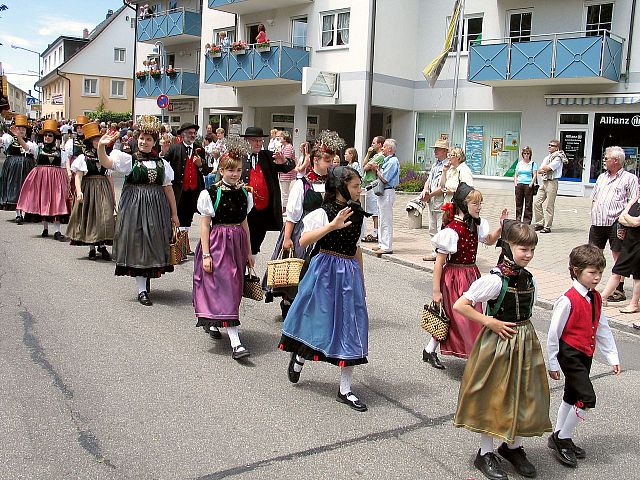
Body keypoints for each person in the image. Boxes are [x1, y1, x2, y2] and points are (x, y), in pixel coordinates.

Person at [453, 221, 551, 480]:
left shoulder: (529, 278)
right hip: (498, 344)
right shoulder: (495, 280)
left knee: (523, 394)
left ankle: (513, 447)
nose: (528, 254)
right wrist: (490, 322)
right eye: (523, 249)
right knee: (493, 397)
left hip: (524, 342)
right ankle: (485, 452)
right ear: (508, 247)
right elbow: (461, 305)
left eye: (531, 249)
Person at [279, 166, 370, 412]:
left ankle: (345, 389)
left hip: (349, 272)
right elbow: (304, 240)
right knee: (317, 321)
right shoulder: (322, 213)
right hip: (324, 270)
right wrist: (332, 225)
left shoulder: (359, 214)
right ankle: (299, 355)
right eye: (354, 186)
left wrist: (361, 280)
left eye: (359, 185)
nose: (359, 189)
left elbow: (357, 248)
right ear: (340, 187)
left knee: (351, 325)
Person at [547, 244, 620, 468]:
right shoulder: (567, 300)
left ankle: (558, 435)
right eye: (592, 273)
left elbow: (602, 327)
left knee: (571, 395)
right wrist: (552, 361)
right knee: (586, 398)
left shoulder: (595, 297)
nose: (597, 278)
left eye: (600, 273)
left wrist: (612, 356)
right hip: (569, 354)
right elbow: (553, 333)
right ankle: (563, 439)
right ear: (576, 271)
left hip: (585, 353)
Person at [97, 116, 180, 306]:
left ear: (154, 142)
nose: (144, 142)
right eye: (142, 138)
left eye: (148, 139)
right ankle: (141, 289)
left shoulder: (162, 164)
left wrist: (174, 214)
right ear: (137, 139)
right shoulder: (129, 160)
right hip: (134, 207)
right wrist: (101, 147)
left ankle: (146, 277)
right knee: (138, 244)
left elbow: (168, 188)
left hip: (157, 207)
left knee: (154, 242)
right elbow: (107, 163)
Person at [423, 183, 506, 369]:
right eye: (475, 203)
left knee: (470, 314)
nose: (479, 207)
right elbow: (439, 263)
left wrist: (500, 228)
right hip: (454, 277)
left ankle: (431, 350)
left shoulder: (477, 224)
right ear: (463, 205)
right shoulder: (451, 231)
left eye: (480, 203)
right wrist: (436, 291)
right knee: (458, 317)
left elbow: (489, 240)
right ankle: (475, 357)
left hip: (471, 274)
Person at [193, 142, 255, 360]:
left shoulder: (244, 193)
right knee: (225, 286)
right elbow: (204, 224)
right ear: (221, 170)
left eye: (238, 170)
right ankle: (236, 342)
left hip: (237, 243)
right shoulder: (211, 193)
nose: (235, 174)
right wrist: (207, 254)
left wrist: (248, 252)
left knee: (233, 287)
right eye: (230, 170)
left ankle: (216, 321)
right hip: (218, 243)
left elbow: (245, 223)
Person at [265, 148, 331, 318]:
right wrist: (287, 238)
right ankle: (288, 302)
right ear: (315, 160)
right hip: (303, 230)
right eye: (328, 160)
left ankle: (314, 305)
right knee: (298, 269)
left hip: (325, 231)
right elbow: (293, 215)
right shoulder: (303, 183)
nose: (331, 163)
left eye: (332, 160)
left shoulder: (333, 182)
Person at [589, 146, 638, 303]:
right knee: (593, 254)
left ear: (616, 160)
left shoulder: (629, 179)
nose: (604, 160)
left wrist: (625, 221)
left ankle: (618, 289)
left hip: (616, 223)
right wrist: (593, 211)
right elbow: (595, 197)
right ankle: (589, 283)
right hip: (598, 222)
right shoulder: (602, 177)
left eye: (606, 158)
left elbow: (633, 201)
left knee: (617, 254)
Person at [239, 126, 295, 254]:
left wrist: (283, 161)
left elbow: (289, 167)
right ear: (246, 141)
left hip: (263, 209)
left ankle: (250, 272)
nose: (258, 143)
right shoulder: (239, 156)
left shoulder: (268, 156)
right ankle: (239, 271)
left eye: (260, 140)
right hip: (244, 208)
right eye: (255, 140)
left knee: (257, 241)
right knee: (242, 241)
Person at [65, 122, 116, 260]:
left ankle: (102, 246)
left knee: (104, 217)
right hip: (89, 188)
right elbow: (78, 176)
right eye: (94, 140)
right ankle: (92, 247)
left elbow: (109, 176)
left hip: (103, 188)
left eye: (98, 139)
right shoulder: (83, 158)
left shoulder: (105, 156)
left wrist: (113, 195)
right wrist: (79, 191)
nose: (97, 142)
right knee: (91, 217)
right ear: (89, 142)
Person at [16, 119, 69, 240]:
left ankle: (57, 231)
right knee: (44, 202)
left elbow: (64, 166)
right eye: (45, 135)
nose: (47, 137)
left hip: (56, 180)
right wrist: (19, 137)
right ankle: (45, 228)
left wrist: (67, 181)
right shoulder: (37, 148)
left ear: (54, 137)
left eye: (50, 135)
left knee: (57, 203)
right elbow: (25, 147)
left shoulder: (61, 152)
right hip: (41, 180)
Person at [164, 122, 211, 233]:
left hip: (194, 191)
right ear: (183, 135)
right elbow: (164, 164)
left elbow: (205, 171)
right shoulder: (174, 148)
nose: (193, 135)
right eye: (190, 133)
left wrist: (200, 165)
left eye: (194, 133)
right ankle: (176, 244)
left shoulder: (200, 150)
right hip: (179, 190)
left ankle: (184, 245)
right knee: (177, 218)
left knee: (188, 218)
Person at [599, 192, 640, 315]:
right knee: (617, 270)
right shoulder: (635, 199)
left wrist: (628, 220)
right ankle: (602, 298)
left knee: (638, 275)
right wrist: (629, 220)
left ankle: (634, 304)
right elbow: (621, 217)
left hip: (639, 244)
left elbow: (637, 222)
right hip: (628, 242)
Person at [0, 115, 37, 222]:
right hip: (12, 168)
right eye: (19, 129)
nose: (21, 131)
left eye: (23, 129)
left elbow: (29, 150)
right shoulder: (9, 139)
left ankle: (29, 212)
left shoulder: (31, 143)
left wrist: (19, 138)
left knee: (27, 189)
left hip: (27, 167)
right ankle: (18, 213)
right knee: (15, 188)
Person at [421, 138, 449, 261]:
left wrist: (430, 194)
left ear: (444, 151)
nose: (435, 151)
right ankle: (434, 252)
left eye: (438, 149)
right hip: (431, 200)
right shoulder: (435, 164)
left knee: (440, 228)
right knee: (432, 228)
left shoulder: (447, 166)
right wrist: (425, 190)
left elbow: (443, 187)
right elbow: (429, 180)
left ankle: (441, 255)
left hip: (440, 201)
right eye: (435, 149)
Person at [371, 138, 400, 255]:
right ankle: (382, 243)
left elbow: (385, 178)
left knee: (386, 219)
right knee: (382, 218)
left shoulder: (393, 161)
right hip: (384, 192)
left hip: (387, 191)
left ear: (390, 149)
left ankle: (387, 246)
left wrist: (377, 170)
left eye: (384, 146)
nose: (382, 148)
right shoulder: (388, 160)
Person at [533, 139, 567, 234]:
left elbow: (548, 168)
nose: (549, 147)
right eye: (549, 145)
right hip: (544, 181)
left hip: (552, 182)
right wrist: (543, 169)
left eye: (552, 145)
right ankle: (540, 223)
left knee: (549, 205)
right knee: (536, 202)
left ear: (557, 147)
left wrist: (544, 169)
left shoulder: (558, 157)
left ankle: (547, 226)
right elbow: (540, 170)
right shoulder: (547, 157)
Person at [361, 136, 385, 243]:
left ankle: (376, 231)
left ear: (380, 144)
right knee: (371, 209)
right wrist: (368, 153)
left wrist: (368, 164)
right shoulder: (374, 155)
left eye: (374, 142)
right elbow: (364, 164)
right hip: (368, 185)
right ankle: (376, 231)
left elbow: (366, 167)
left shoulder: (380, 156)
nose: (372, 144)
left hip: (374, 184)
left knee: (375, 210)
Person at [513, 146, 538, 224]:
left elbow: (535, 175)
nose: (526, 155)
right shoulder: (519, 163)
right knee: (518, 203)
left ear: (530, 154)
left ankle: (527, 221)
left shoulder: (533, 164)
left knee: (528, 204)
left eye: (528, 153)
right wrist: (515, 183)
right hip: (519, 184)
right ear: (522, 154)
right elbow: (516, 174)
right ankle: (518, 219)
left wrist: (531, 183)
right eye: (524, 153)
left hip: (528, 185)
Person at [277, 131, 297, 212]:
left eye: (281, 137)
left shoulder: (288, 147)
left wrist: (278, 158)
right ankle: (284, 207)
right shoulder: (284, 147)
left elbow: (286, 160)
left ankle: (285, 208)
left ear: (285, 138)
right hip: (283, 173)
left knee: (285, 192)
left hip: (286, 173)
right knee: (283, 191)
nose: (279, 138)